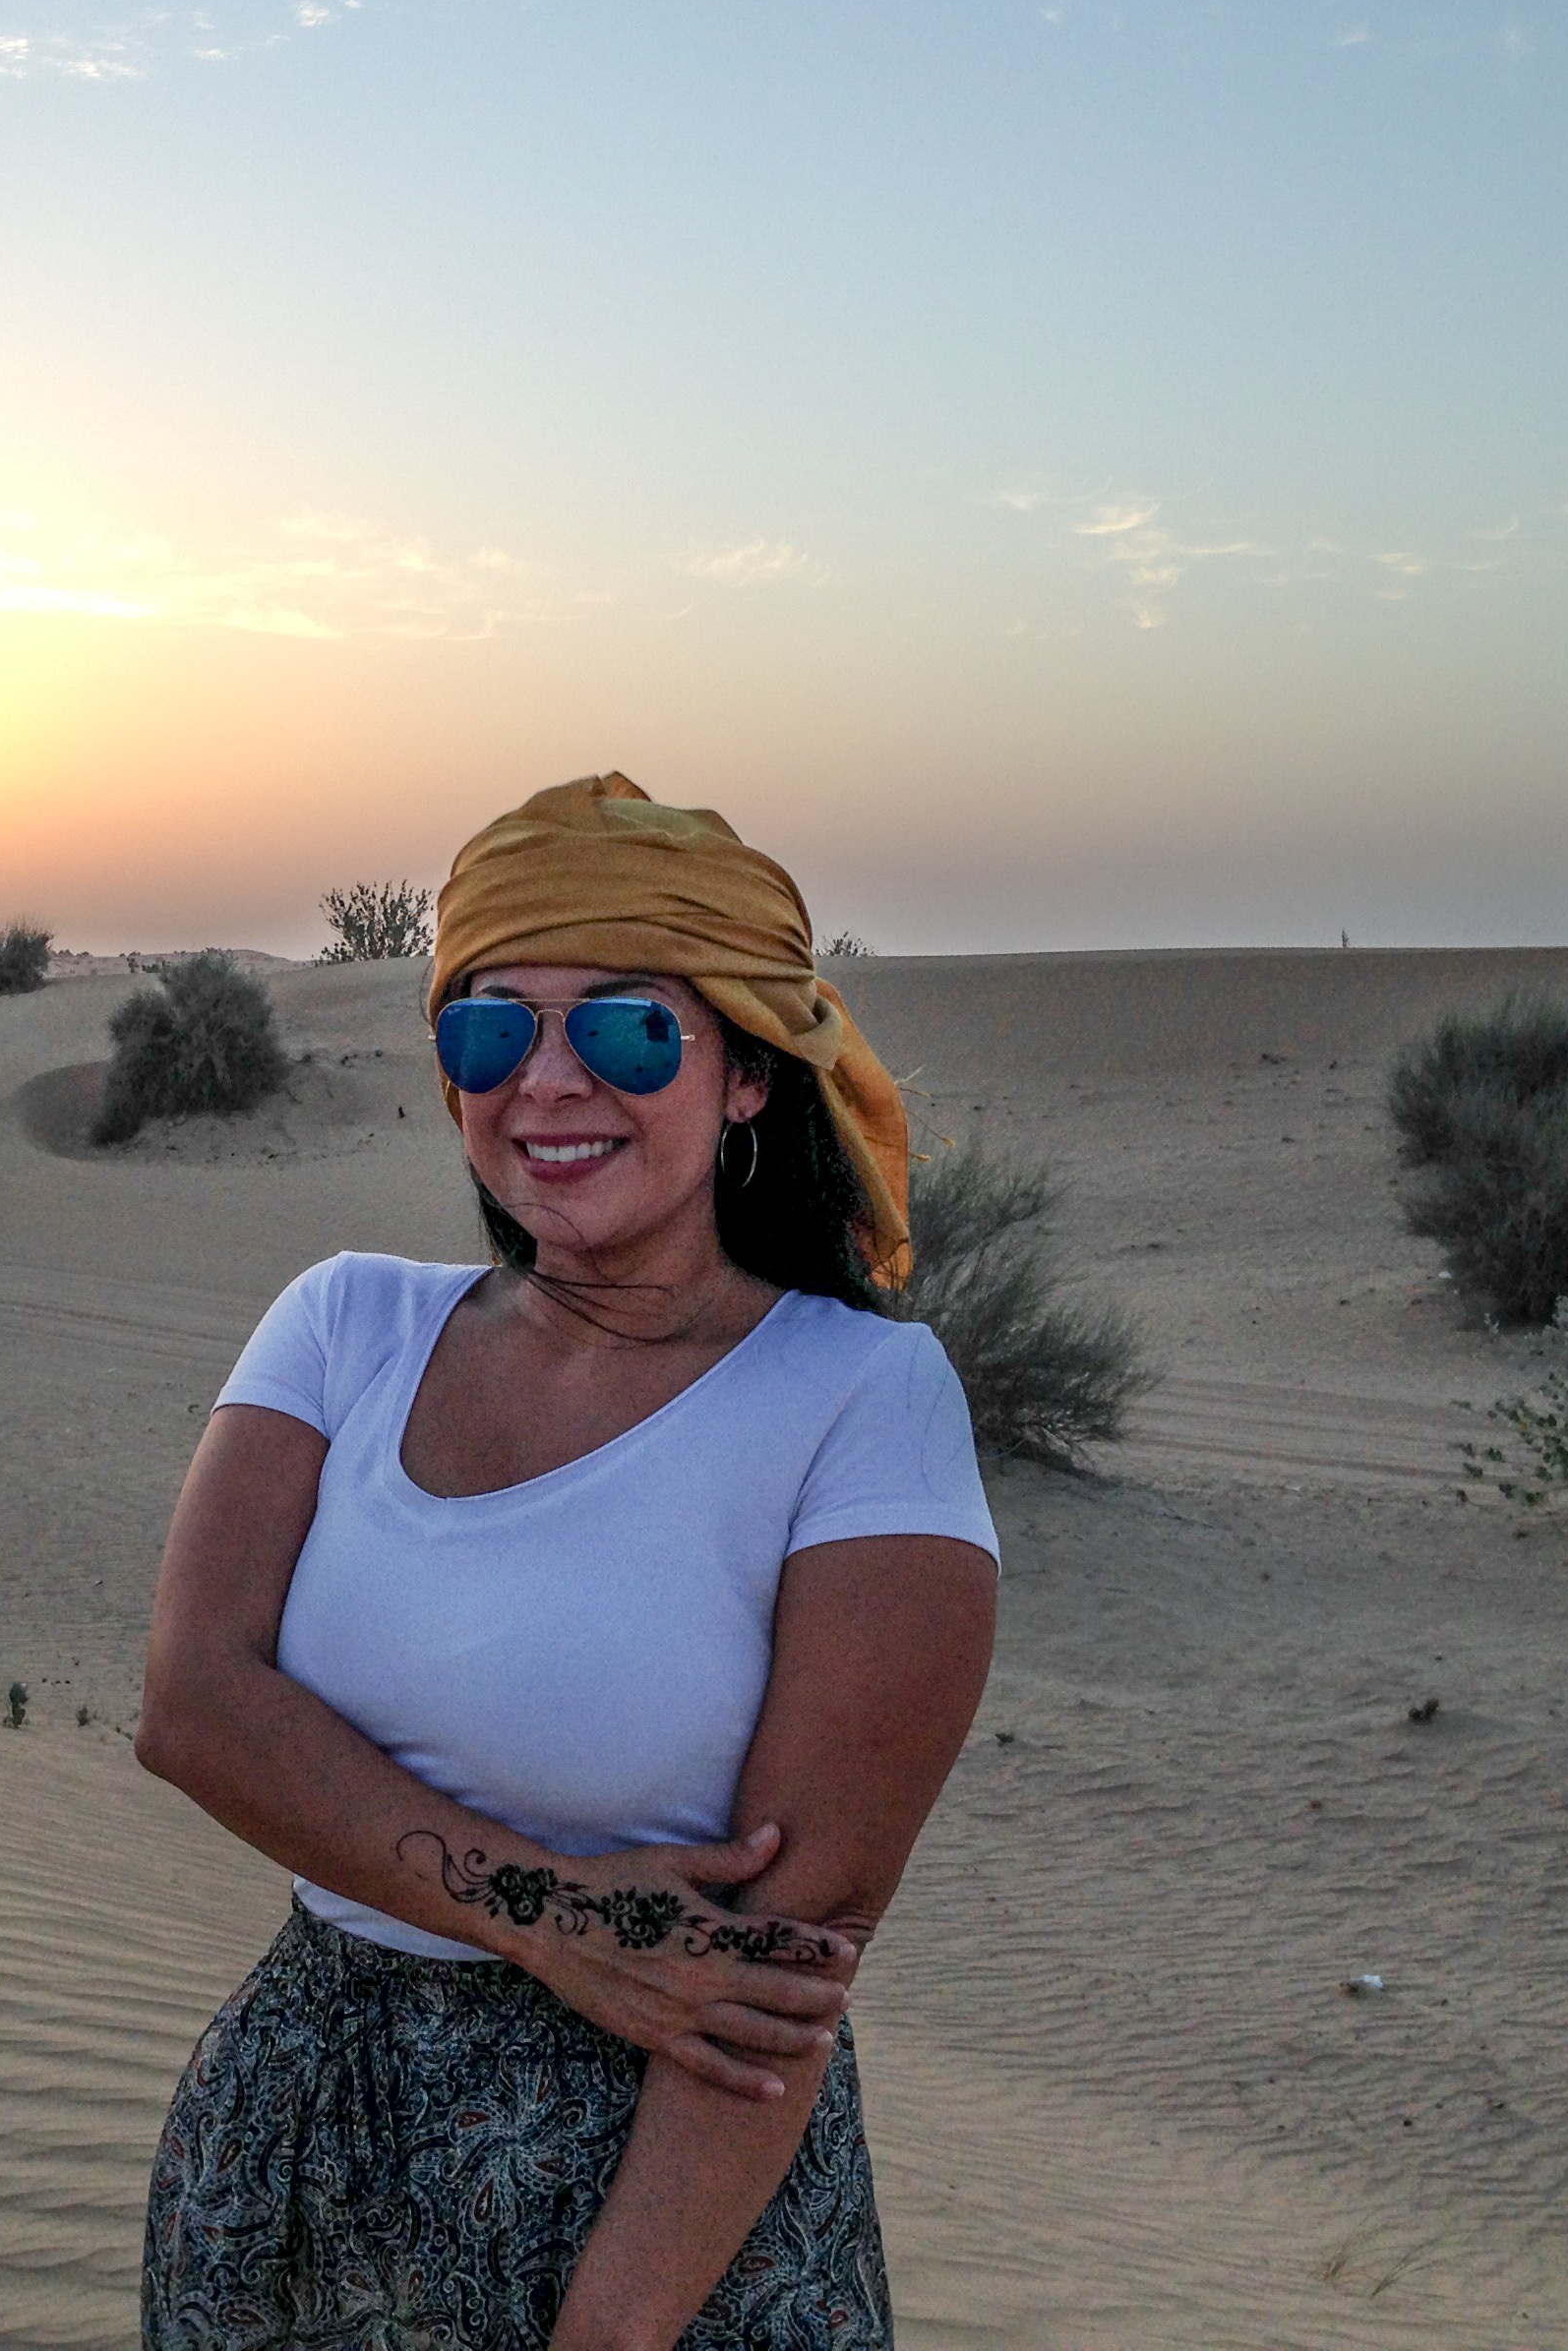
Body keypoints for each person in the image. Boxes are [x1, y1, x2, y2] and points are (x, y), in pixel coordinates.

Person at [135, 774, 1001, 2349]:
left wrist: (611, 2331)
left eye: (626, 1030)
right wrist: (552, 1918)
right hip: (295, 2151)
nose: (546, 1081)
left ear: (750, 1071)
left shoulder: (861, 1399)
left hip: (664, 2215)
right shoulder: (345, 1326)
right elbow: (193, 1706)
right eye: (492, 1030)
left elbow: (781, 1967)